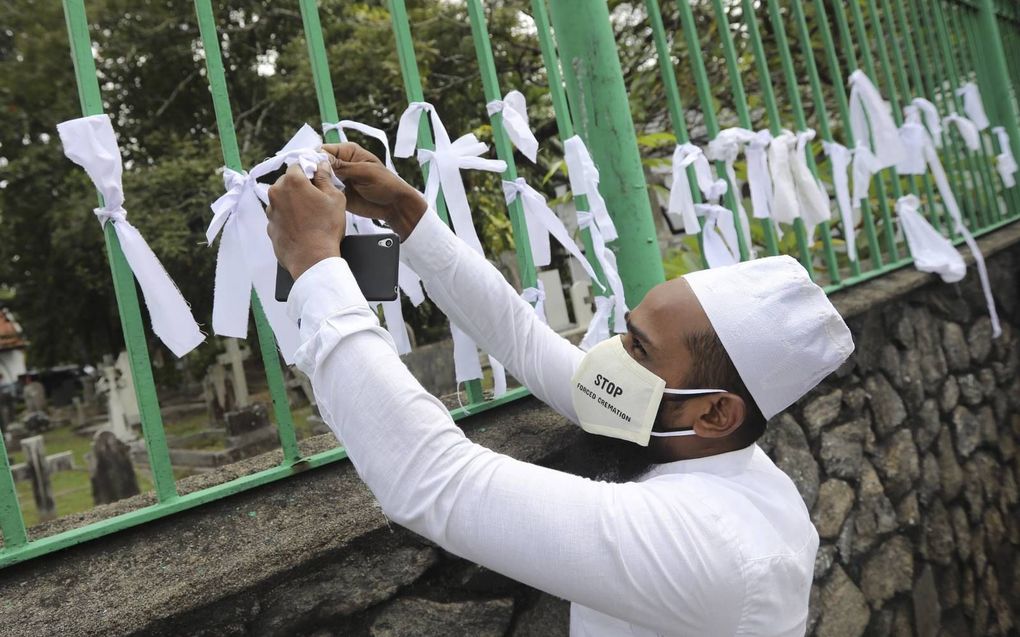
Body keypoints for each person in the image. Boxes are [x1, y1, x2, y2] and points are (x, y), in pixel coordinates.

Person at [265, 144, 854, 637]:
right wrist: (406, 213)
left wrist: (316, 266)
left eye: (639, 346)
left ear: (716, 413)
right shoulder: (691, 436)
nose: (611, 355)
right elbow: (521, 338)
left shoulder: (710, 542)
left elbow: (431, 478)